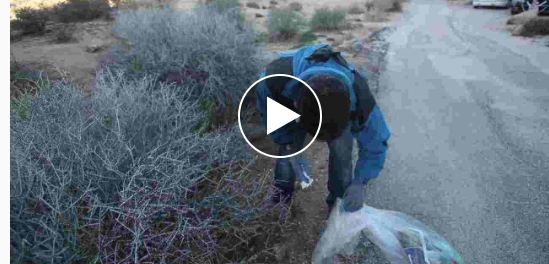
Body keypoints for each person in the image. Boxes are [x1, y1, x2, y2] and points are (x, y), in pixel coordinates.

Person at [255, 44, 391, 217]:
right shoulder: (274, 80)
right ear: (297, 107)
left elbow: (376, 143)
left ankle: (338, 204)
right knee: (288, 154)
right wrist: (288, 144)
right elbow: (268, 111)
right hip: (291, 95)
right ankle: (281, 197)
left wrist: (359, 182)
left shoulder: (360, 98)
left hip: (316, 100)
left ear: (349, 110)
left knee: (342, 154)